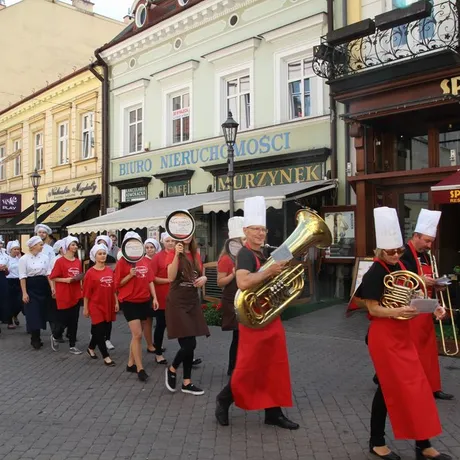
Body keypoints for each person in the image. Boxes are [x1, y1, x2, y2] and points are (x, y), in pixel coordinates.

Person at [360, 206, 451, 460]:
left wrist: (435, 308)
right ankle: (377, 441)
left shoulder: (400, 264)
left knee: (418, 387)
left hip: (401, 335)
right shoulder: (375, 271)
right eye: (391, 251)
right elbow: (373, 309)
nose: (396, 255)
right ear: (380, 250)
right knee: (389, 389)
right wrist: (400, 310)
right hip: (384, 336)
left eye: (399, 250)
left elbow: (417, 293)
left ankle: (423, 444)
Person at [215, 196, 299, 430]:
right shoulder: (244, 254)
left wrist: (284, 269)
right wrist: (269, 271)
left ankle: (274, 412)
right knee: (249, 366)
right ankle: (224, 399)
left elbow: (284, 266)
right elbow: (243, 282)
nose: (260, 233)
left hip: (270, 315)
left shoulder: (267, 253)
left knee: (274, 365)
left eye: (263, 229)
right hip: (254, 319)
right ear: (246, 231)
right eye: (255, 229)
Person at [399, 209, 454, 401]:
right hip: (411, 309)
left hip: (427, 307)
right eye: (427, 241)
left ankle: (433, 387)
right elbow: (402, 280)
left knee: (429, 351)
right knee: (412, 352)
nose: (429, 246)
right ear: (416, 236)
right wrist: (424, 281)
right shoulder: (403, 253)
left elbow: (426, 278)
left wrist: (436, 285)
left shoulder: (426, 255)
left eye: (431, 241)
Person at [164, 233, 209, 396]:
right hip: (178, 302)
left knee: (191, 344)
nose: (187, 237)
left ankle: (186, 382)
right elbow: (170, 276)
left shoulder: (196, 253)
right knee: (189, 344)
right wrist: (176, 254)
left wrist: (204, 278)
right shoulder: (173, 253)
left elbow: (200, 274)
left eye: (190, 233)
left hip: (192, 301)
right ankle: (172, 368)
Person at [114, 231, 159, 382]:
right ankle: (140, 368)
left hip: (144, 300)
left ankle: (130, 363)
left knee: (136, 336)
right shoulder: (122, 262)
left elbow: (150, 280)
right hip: (129, 301)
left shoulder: (145, 261)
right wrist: (129, 275)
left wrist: (155, 298)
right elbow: (117, 284)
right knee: (138, 334)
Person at [217, 216, 245, 376]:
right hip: (232, 300)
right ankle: (232, 367)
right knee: (238, 335)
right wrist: (233, 275)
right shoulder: (226, 259)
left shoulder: (244, 256)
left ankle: (237, 366)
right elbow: (220, 282)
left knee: (241, 335)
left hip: (242, 298)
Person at [83, 244, 118, 366]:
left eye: (104, 253)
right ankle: (106, 356)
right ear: (94, 256)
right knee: (99, 330)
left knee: (102, 329)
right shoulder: (90, 273)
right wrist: (86, 308)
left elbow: (113, 289)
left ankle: (91, 347)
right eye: (100, 254)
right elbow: (86, 293)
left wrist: (116, 302)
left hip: (108, 303)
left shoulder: (109, 270)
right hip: (95, 305)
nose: (103, 256)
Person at [49, 236, 83, 355]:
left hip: (76, 294)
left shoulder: (78, 261)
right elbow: (52, 276)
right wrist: (66, 280)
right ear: (67, 246)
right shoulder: (60, 261)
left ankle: (72, 345)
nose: (75, 247)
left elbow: (78, 275)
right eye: (73, 244)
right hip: (64, 294)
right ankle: (55, 335)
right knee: (63, 321)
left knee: (74, 321)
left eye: (76, 244)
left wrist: (80, 282)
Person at [19, 236, 54, 349]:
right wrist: (24, 293)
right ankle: (35, 338)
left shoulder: (44, 257)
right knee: (33, 313)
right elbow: (22, 277)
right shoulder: (24, 259)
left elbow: (48, 273)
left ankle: (44, 335)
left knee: (43, 311)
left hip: (43, 285)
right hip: (31, 286)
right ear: (33, 246)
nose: (42, 246)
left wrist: (52, 287)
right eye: (40, 244)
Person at [143, 238, 161, 356]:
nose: (149, 250)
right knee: (148, 321)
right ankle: (150, 344)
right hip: (147, 293)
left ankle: (158, 343)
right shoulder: (142, 260)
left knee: (160, 321)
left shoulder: (159, 259)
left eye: (152, 247)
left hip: (159, 292)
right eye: (147, 248)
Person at [6, 240, 23, 329]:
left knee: (20, 302)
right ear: (10, 250)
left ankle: (15, 315)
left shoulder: (20, 259)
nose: (16, 251)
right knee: (10, 302)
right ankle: (9, 321)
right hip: (9, 281)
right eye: (14, 249)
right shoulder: (7, 258)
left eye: (18, 249)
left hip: (18, 281)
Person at [0, 242, 9, 332]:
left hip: (2, 278)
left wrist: (5, 268)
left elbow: (7, 272)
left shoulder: (5, 255)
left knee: (3, 298)